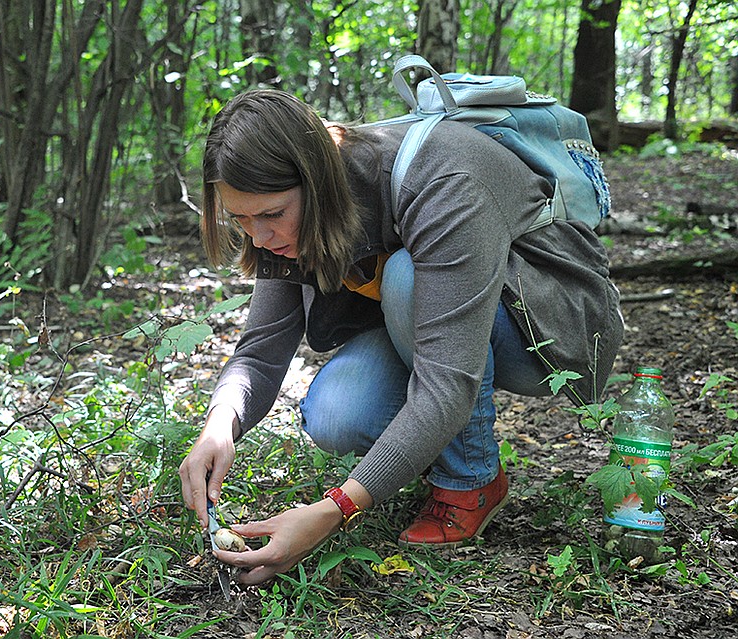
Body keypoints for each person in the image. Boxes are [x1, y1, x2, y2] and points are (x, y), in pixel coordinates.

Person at [178, 89, 623, 586]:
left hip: (551, 328)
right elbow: (260, 351)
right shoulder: (284, 212)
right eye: (240, 220)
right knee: (336, 413)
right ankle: (418, 448)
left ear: (318, 183)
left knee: (406, 278)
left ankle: (470, 481)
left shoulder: (444, 180)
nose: (258, 238)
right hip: (436, 326)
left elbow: (447, 384)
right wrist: (219, 426)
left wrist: (336, 508)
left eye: (271, 215)